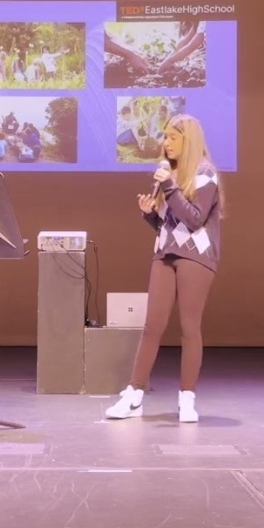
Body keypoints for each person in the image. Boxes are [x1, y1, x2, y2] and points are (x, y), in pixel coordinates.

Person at [104, 114, 224, 423]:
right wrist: (150, 215)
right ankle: (133, 395)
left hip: (197, 255)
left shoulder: (205, 173)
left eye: (172, 137)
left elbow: (195, 220)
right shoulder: (169, 173)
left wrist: (170, 187)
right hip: (165, 252)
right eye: (165, 136)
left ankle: (187, 398)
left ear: (189, 140)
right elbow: (170, 225)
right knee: (152, 326)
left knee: (189, 327)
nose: (165, 142)